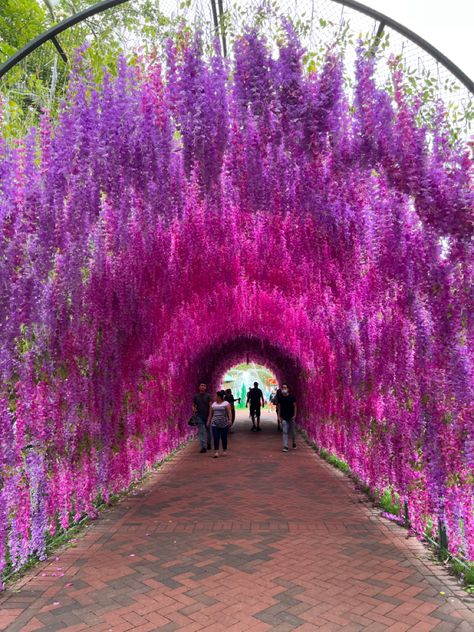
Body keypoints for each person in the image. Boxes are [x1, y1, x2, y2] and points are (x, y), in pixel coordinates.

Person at [207, 390, 232, 458]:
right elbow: (210, 414)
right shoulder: (213, 404)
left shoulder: (226, 403)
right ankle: (216, 452)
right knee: (216, 437)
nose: (215, 397)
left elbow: (229, 412)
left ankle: (224, 450)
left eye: (216, 396)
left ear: (219, 397)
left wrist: (230, 420)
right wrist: (208, 422)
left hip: (224, 424)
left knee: (224, 438)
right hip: (215, 423)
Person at [277, 383, 297, 452]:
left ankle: (294, 442)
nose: (284, 389)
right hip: (284, 417)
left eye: (285, 387)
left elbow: (295, 406)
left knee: (293, 432)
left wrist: (295, 415)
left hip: (291, 417)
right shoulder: (280, 398)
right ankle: (285, 446)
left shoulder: (292, 397)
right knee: (285, 432)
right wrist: (279, 416)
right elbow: (279, 407)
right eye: (282, 388)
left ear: (288, 389)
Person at [192, 383, 212, 453]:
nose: (202, 387)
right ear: (199, 387)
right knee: (201, 432)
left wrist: (210, 416)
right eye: (201, 385)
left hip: (207, 415)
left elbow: (210, 406)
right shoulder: (196, 396)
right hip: (199, 416)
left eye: (204, 386)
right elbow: (193, 405)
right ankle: (203, 447)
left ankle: (209, 443)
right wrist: (194, 409)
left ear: (206, 388)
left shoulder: (208, 396)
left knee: (208, 430)